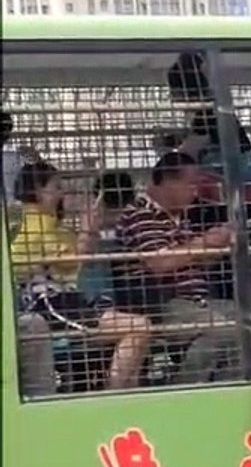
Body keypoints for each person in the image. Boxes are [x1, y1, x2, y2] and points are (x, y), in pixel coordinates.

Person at [115, 151, 251, 384]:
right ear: (167, 181)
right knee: (220, 329)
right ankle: (187, 389)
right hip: (160, 303)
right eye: (190, 185)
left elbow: (192, 260)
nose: (194, 192)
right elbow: (160, 263)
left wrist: (221, 245)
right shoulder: (141, 214)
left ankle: (231, 386)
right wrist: (204, 242)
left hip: (197, 301)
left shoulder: (179, 218)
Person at [9, 161, 152, 390]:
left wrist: (91, 228)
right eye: (56, 187)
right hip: (51, 308)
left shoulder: (50, 226)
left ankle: (124, 393)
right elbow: (73, 263)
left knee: (140, 328)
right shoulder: (35, 227)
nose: (61, 193)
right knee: (138, 327)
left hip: (67, 303)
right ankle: (113, 395)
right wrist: (87, 229)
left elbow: (75, 261)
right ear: (37, 189)